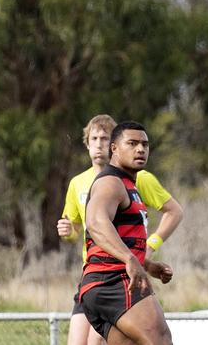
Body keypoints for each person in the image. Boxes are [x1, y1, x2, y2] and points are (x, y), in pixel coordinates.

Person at [58, 115, 183, 345]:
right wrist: (129, 259)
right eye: (132, 143)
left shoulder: (130, 185)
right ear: (114, 148)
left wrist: (148, 265)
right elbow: (95, 223)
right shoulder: (110, 182)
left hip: (102, 284)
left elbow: (118, 238)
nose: (140, 149)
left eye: (145, 144)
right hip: (114, 280)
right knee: (160, 339)